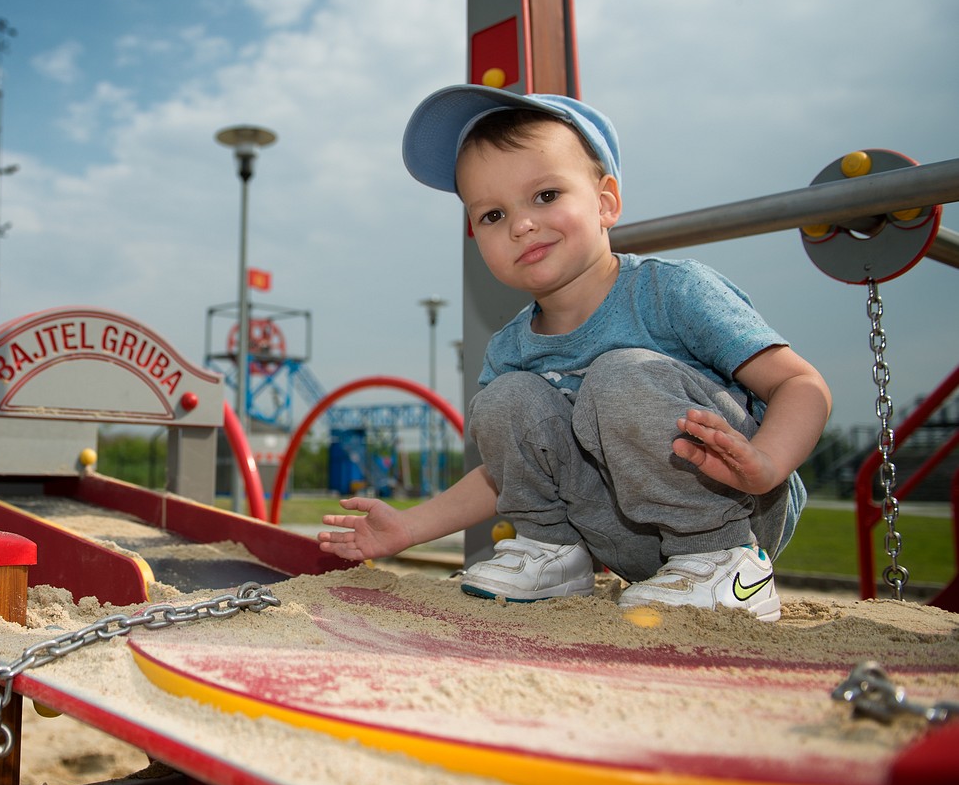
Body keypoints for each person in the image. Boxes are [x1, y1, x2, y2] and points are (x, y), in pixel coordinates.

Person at [318, 86, 831, 622]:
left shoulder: (669, 292)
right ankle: (553, 555)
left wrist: (768, 462)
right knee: (503, 401)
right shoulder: (513, 348)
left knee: (619, 376)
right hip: (622, 537)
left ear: (606, 201)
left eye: (545, 196)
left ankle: (725, 564)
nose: (521, 225)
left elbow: (800, 385)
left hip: (737, 509)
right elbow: (503, 473)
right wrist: (409, 527)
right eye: (493, 214)